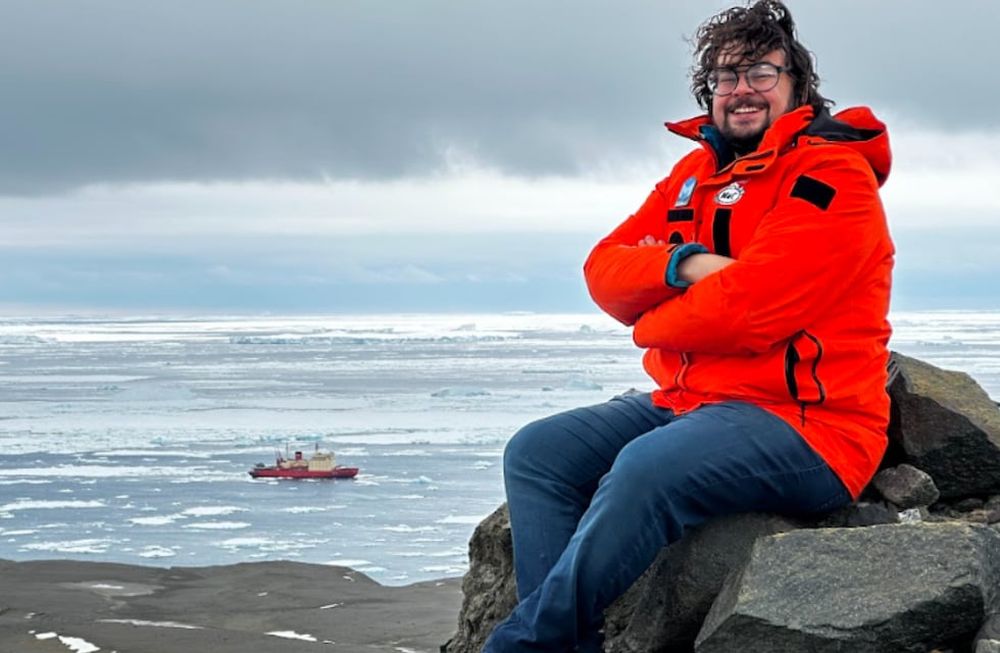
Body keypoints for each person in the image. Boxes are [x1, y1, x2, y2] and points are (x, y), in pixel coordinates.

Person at [482, 1, 894, 651]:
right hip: (692, 402)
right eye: (725, 78)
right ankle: (563, 639)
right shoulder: (693, 176)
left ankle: (526, 642)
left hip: (812, 425)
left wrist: (651, 321)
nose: (741, 91)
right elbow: (603, 269)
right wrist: (685, 262)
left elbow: (752, 310)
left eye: (760, 71)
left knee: (647, 467)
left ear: (797, 84)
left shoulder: (831, 177)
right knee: (538, 452)